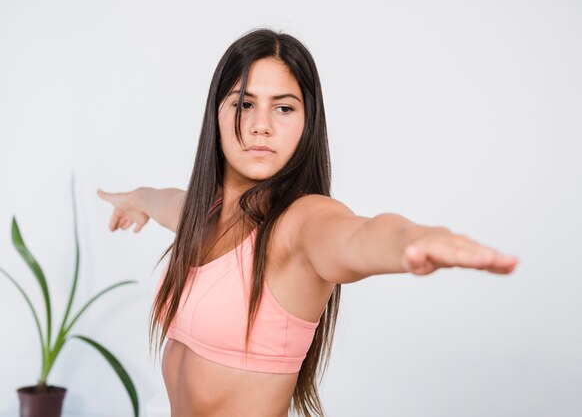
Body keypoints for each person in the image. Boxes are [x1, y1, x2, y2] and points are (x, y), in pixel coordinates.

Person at [97, 28, 518, 417]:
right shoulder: (201, 215)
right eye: (244, 104)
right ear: (217, 115)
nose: (261, 126)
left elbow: (358, 235)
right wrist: (135, 200)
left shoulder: (299, 223)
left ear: (306, 122)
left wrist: (414, 240)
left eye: (283, 107)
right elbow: (165, 199)